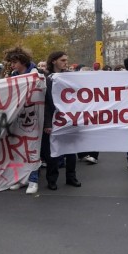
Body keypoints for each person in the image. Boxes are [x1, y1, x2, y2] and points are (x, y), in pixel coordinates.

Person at [2, 47, 43, 194]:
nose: (12, 65)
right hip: (17, 119)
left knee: (33, 150)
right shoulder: (13, 75)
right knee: (17, 151)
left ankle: (33, 180)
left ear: (23, 61)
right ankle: (19, 179)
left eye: (14, 62)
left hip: (33, 118)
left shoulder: (36, 74)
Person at [42, 50, 81, 190]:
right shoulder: (47, 79)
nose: (66, 63)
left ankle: (71, 177)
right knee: (53, 151)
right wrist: (47, 123)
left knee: (71, 150)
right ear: (54, 61)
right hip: (53, 119)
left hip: (69, 119)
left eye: (66, 60)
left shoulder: (69, 78)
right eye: (63, 60)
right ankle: (52, 179)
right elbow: (46, 103)